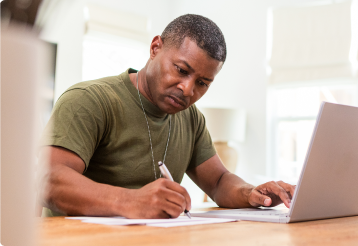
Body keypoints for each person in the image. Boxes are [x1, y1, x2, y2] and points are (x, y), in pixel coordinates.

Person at [39, 14, 296, 219]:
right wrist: (131, 201)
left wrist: (251, 193)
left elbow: (218, 182)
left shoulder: (190, 117)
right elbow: (48, 180)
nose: (188, 89)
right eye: (181, 70)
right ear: (155, 48)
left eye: (203, 83)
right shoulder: (90, 100)